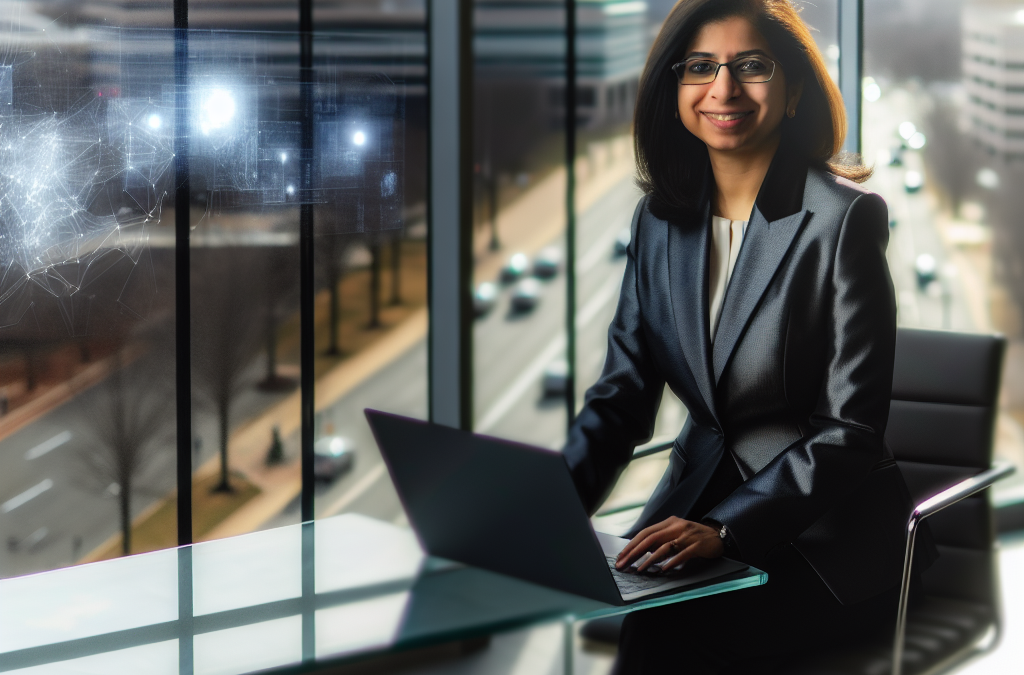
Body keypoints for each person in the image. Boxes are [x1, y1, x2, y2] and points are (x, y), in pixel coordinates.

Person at [562, 0, 934, 672]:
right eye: (700, 66)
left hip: (824, 540)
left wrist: (729, 527)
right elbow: (621, 395)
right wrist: (548, 511)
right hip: (692, 510)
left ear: (792, 92)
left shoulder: (843, 222)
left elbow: (850, 429)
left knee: (672, 637)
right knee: (648, 627)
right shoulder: (660, 222)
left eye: (751, 66)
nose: (724, 89)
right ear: (673, 89)